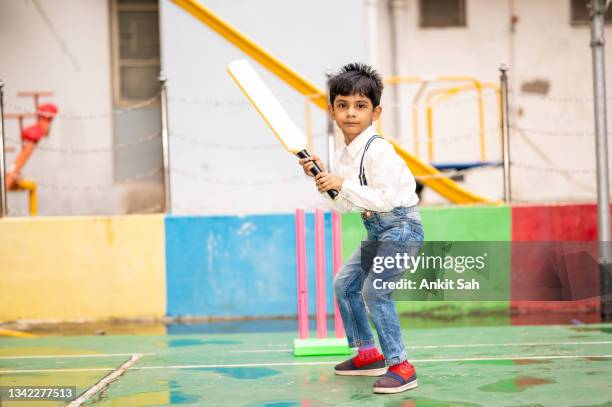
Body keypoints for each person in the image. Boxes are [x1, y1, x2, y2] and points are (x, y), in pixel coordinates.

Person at [299, 63, 424, 394]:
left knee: (374, 291)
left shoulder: (378, 150)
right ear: (331, 110)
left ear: (375, 111)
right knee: (345, 284)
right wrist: (324, 180)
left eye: (360, 106)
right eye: (343, 105)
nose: (350, 113)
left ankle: (402, 365)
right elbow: (345, 206)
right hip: (378, 231)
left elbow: (383, 201)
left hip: (401, 228)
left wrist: (341, 183)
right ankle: (368, 354)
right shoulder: (344, 155)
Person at [5, 103, 58, 190]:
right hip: (13, 171)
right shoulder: (36, 133)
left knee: (13, 171)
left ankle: (13, 174)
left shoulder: (37, 133)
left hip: (14, 169)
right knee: (12, 174)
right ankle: (12, 174)